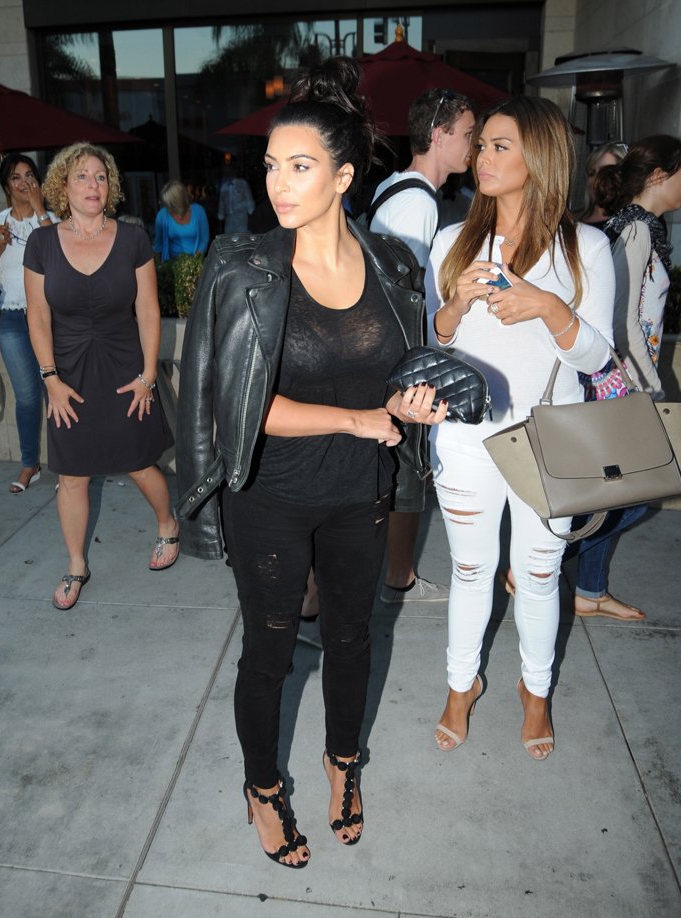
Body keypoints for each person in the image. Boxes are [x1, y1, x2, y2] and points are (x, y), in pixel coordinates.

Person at [175, 58, 446, 868]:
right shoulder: (242, 267)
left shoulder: (393, 265)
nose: (278, 184)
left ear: (344, 177)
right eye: (271, 166)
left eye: (299, 166)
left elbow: (395, 380)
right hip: (271, 496)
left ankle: (342, 762)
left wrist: (409, 405)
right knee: (268, 653)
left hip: (360, 492)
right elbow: (237, 406)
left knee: (354, 639)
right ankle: (263, 787)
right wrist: (360, 419)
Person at [426, 97, 614, 761]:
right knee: (470, 569)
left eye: (500, 146)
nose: (483, 156)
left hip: (549, 440)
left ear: (540, 157)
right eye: (482, 145)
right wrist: (455, 305)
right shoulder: (452, 241)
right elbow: (435, 343)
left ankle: (535, 690)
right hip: (465, 436)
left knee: (538, 574)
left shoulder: (585, 247)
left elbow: (597, 357)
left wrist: (550, 308)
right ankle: (461, 685)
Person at [24, 142, 176, 611]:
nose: (93, 184)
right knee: (72, 475)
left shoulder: (132, 238)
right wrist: (50, 379)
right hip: (67, 375)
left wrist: (148, 375)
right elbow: (37, 316)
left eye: (101, 176)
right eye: (82, 176)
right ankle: (76, 564)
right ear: (62, 185)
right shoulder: (41, 244)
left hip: (125, 370)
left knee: (139, 463)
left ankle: (167, 524)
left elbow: (148, 311)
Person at [566, 134, 681, 621]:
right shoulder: (635, 231)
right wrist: (646, 387)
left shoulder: (642, 227)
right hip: (622, 386)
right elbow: (620, 320)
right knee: (635, 497)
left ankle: (590, 591)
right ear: (658, 176)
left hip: (622, 382)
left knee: (612, 493)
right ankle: (544, 560)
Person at [370, 87, 475, 605]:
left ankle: (397, 575)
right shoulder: (417, 203)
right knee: (409, 469)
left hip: (392, 351)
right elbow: (402, 295)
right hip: (402, 356)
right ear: (439, 135)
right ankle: (399, 579)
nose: (474, 146)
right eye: (468, 134)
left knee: (402, 468)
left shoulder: (395, 187)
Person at [0, 153, 57, 494]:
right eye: (16, 177)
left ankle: (69, 466)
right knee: (27, 397)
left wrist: (40, 211)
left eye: (29, 175)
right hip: (11, 317)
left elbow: (61, 259)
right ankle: (29, 464)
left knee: (57, 392)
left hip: (51, 317)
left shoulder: (51, 219)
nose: (24, 182)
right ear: (6, 185)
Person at [153, 181, 210, 262]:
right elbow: (158, 245)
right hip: (171, 263)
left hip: (196, 261)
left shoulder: (198, 210)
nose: (168, 206)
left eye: (171, 203)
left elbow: (204, 239)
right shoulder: (162, 215)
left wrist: (194, 260)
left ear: (179, 200)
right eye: (167, 203)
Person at [577, 141, 628, 228]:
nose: (596, 179)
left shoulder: (631, 224)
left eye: (605, 171)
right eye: (591, 173)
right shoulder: (574, 221)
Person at [217, 165, 255, 232]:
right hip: (229, 220)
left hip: (241, 218)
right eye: (225, 171)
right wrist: (221, 214)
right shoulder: (224, 187)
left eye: (229, 171)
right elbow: (221, 203)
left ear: (233, 171)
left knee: (242, 235)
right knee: (229, 235)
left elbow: (249, 199)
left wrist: (250, 210)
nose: (227, 173)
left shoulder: (242, 183)